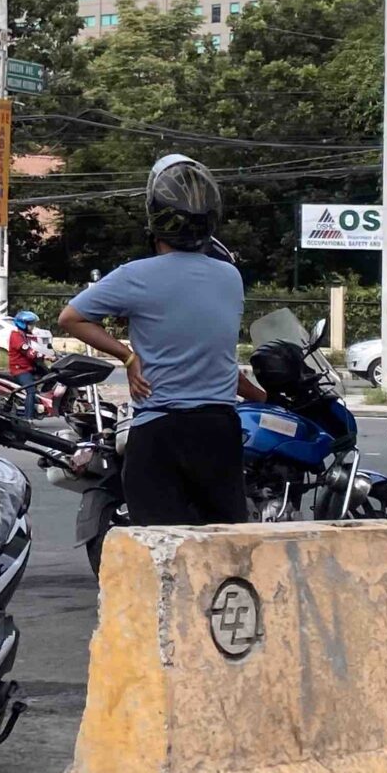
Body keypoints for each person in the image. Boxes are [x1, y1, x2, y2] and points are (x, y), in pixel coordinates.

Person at [57, 155, 266, 526]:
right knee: (223, 548)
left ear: (154, 217)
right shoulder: (230, 278)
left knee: (161, 552)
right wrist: (261, 396)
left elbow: (71, 318)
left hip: (159, 433)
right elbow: (211, 350)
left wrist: (127, 356)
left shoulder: (134, 276)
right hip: (218, 432)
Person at [7, 309, 46, 417]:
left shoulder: (26, 335)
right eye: (30, 324)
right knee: (31, 391)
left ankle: (41, 402)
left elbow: (39, 347)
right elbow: (29, 352)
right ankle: (28, 418)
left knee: (51, 376)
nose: (32, 326)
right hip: (20, 369)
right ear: (23, 324)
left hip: (30, 367)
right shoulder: (16, 336)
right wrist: (45, 356)